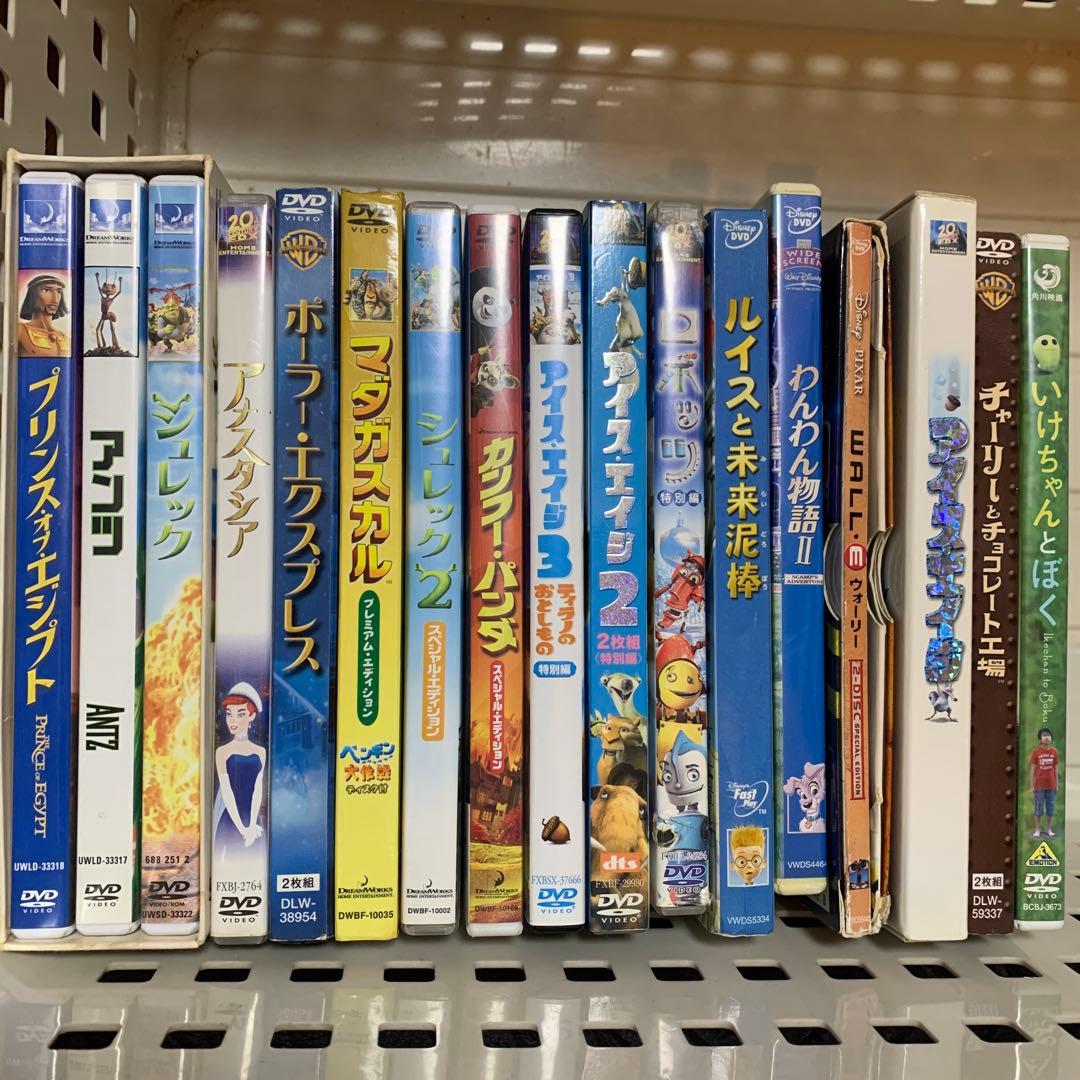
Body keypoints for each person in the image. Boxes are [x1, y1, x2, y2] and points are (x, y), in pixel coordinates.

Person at [214, 682, 267, 858]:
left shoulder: (260, 752)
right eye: (229, 714)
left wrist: (251, 825)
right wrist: (243, 829)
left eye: (241, 714)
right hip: (230, 820)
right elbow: (227, 792)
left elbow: (257, 790)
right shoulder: (222, 752)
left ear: (252, 716)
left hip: (252, 819)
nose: (233, 720)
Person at [17, 274, 70, 357]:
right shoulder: (20, 330)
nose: (55, 299)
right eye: (46, 290)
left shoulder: (65, 337)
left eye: (59, 291)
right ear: (32, 295)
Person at [1030, 726, 1059, 839]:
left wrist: (1057, 784)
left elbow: (1056, 769)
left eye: (1048, 735)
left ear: (1051, 738)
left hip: (1051, 786)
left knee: (1050, 808)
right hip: (1039, 786)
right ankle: (1038, 829)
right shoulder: (1036, 752)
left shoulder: (1054, 751)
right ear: (1040, 738)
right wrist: (1032, 786)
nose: (1047, 737)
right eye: (1044, 735)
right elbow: (1032, 770)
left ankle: (1048, 829)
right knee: (1038, 807)